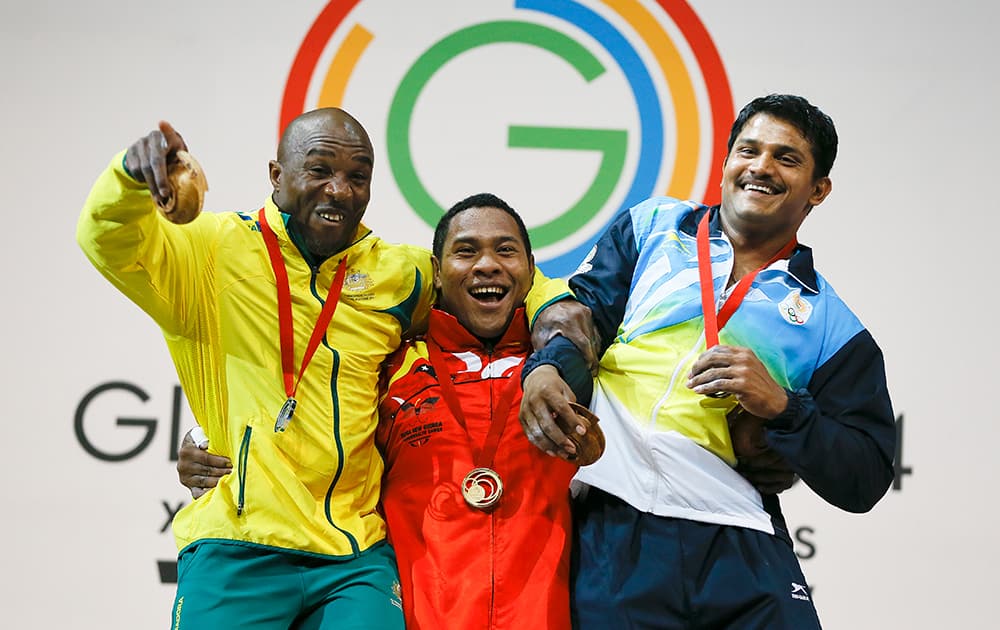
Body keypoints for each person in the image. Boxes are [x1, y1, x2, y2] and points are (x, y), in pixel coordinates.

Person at [76, 108, 586, 629]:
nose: (339, 190)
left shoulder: (398, 273)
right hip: (239, 541)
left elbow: (498, 279)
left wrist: (554, 311)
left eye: (357, 176)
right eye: (320, 170)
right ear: (277, 175)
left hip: (354, 554)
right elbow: (108, 240)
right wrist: (127, 176)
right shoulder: (211, 251)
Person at [519, 94, 897, 629]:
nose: (762, 166)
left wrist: (785, 408)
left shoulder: (830, 323)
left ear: (819, 190)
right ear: (726, 163)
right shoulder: (652, 227)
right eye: (749, 150)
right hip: (615, 516)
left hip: (736, 530)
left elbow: (866, 476)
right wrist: (546, 370)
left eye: (786, 158)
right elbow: (586, 322)